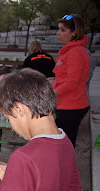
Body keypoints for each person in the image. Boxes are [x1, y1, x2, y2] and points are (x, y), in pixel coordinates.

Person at [52, 14, 90, 147]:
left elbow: (72, 83)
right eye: (59, 29)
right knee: (63, 143)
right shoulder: (70, 51)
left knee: (64, 145)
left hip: (72, 106)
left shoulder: (76, 52)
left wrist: (53, 92)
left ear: (73, 33)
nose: (58, 33)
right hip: (66, 104)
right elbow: (64, 78)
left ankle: (65, 168)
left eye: (63, 30)